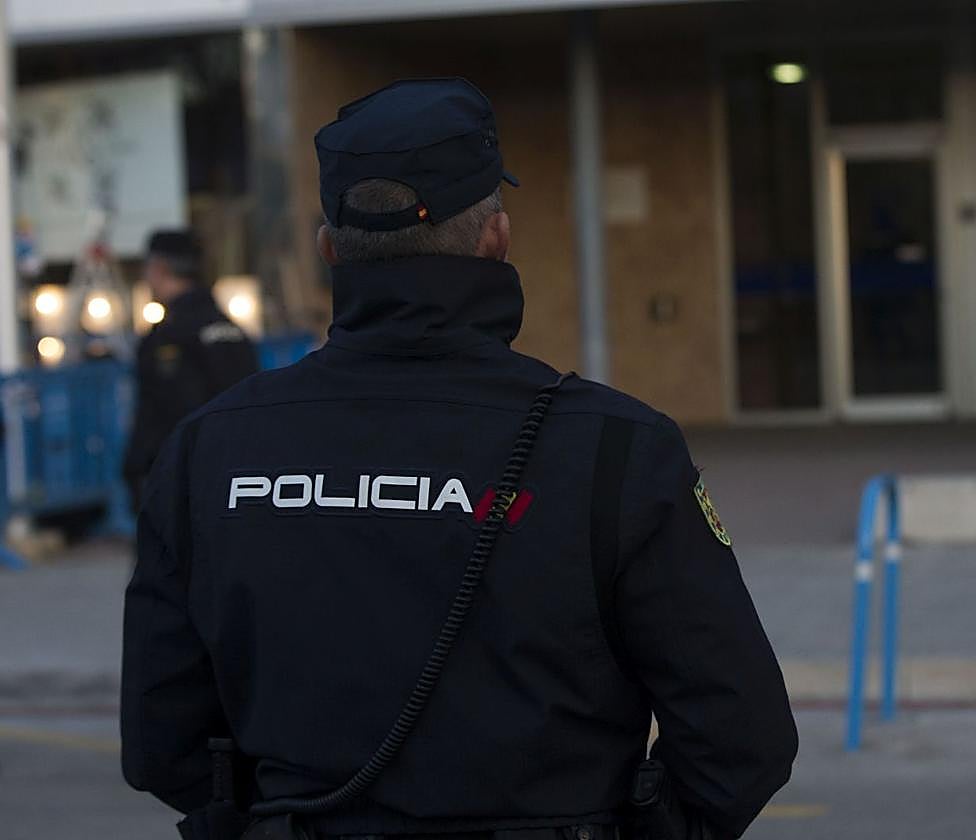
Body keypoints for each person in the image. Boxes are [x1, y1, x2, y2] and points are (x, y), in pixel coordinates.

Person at [121, 78, 797, 840]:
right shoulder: (616, 447)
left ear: (329, 250)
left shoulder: (208, 450)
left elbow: (160, 741)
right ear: (496, 238)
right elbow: (742, 737)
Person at [121, 230, 260, 512]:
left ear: (159, 268)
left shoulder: (168, 337)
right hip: (238, 475)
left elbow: (163, 415)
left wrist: (136, 470)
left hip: (183, 483)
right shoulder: (233, 331)